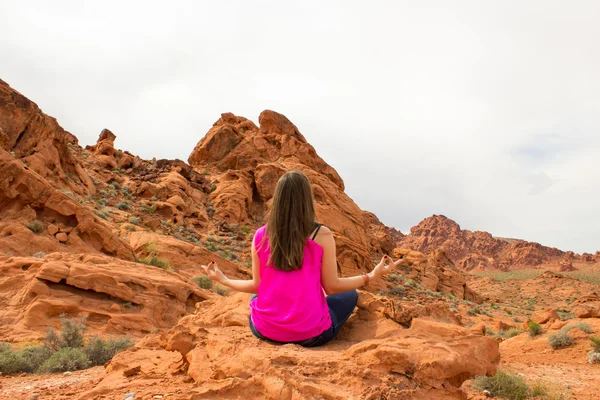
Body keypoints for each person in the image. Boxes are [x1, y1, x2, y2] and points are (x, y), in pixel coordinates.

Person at [201, 170, 400, 347]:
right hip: (310, 335)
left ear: (277, 199)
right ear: (307, 199)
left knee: (256, 297)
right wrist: (371, 276)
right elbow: (331, 287)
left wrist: (223, 280)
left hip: (264, 330)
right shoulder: (321, 235)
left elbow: (257, 285)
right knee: (350, 295)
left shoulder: (261, 235)